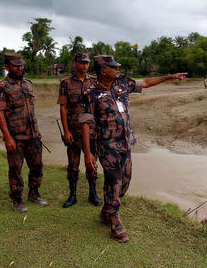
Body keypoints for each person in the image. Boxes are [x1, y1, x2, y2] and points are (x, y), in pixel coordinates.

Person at [80, 55, 186, 242]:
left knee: (125, 182)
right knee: (114, 182)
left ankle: (106, 211)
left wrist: (170, 77)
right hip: (107, 146)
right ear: (103, 70)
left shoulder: (122, 85)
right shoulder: (91, 94)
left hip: (126, 143)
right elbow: (85, 125)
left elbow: (145, 82)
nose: (117, 69)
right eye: (113, 67)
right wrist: (88, 154)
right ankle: (115, 221)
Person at [0, 53, 47, 213]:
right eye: (16, 66)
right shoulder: (2, 87)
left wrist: (37, 132)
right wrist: (7, 137)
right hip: (16, 137)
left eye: (21, 65)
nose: (20, 68)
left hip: (33, 135)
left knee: (37, 166)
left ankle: (34, 193)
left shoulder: (28, 84)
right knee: (15, 169)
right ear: (7, 67)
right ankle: (17, 199)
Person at [57, 53, 102, 208]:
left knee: (92, 163)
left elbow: (99, 106)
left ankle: (93, 193)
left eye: (87, 63)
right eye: (82, 63)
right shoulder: (66, 83)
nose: (85, 65)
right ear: (75, 63)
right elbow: (63, 107)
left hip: (91, 132)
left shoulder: (94, 82)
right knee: (73, 165)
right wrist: (66, 131)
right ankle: (73, 195)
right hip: (74, 131)